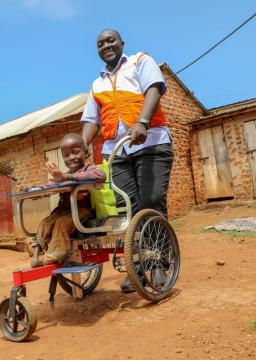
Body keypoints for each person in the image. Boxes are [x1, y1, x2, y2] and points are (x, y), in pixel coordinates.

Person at [80, 29, 173, 292]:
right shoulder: (97, 84)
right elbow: (91, 120)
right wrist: (82, 145)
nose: (106, 45)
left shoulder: (140, 61)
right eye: (100, 43)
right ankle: (138, 267)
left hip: (151, 143)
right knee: (127, 211)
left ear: (122, 43)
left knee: (151, 203)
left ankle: (156, 264)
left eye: (111, 40)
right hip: (117, 152)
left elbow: (154, 89)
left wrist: (142, 121)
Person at [30, 133, 106, 268]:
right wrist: (35, 188)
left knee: (61, 224)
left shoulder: (89, 169)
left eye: (75, 153)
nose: (71, 158)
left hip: (81, 210)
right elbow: (50, 184)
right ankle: (35, 256)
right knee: (44, 223)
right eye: (66, 155)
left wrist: (68, 177)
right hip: (62, 210)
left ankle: (51, 259)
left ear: (86, 152)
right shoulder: (62, 175)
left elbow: (101, 175)